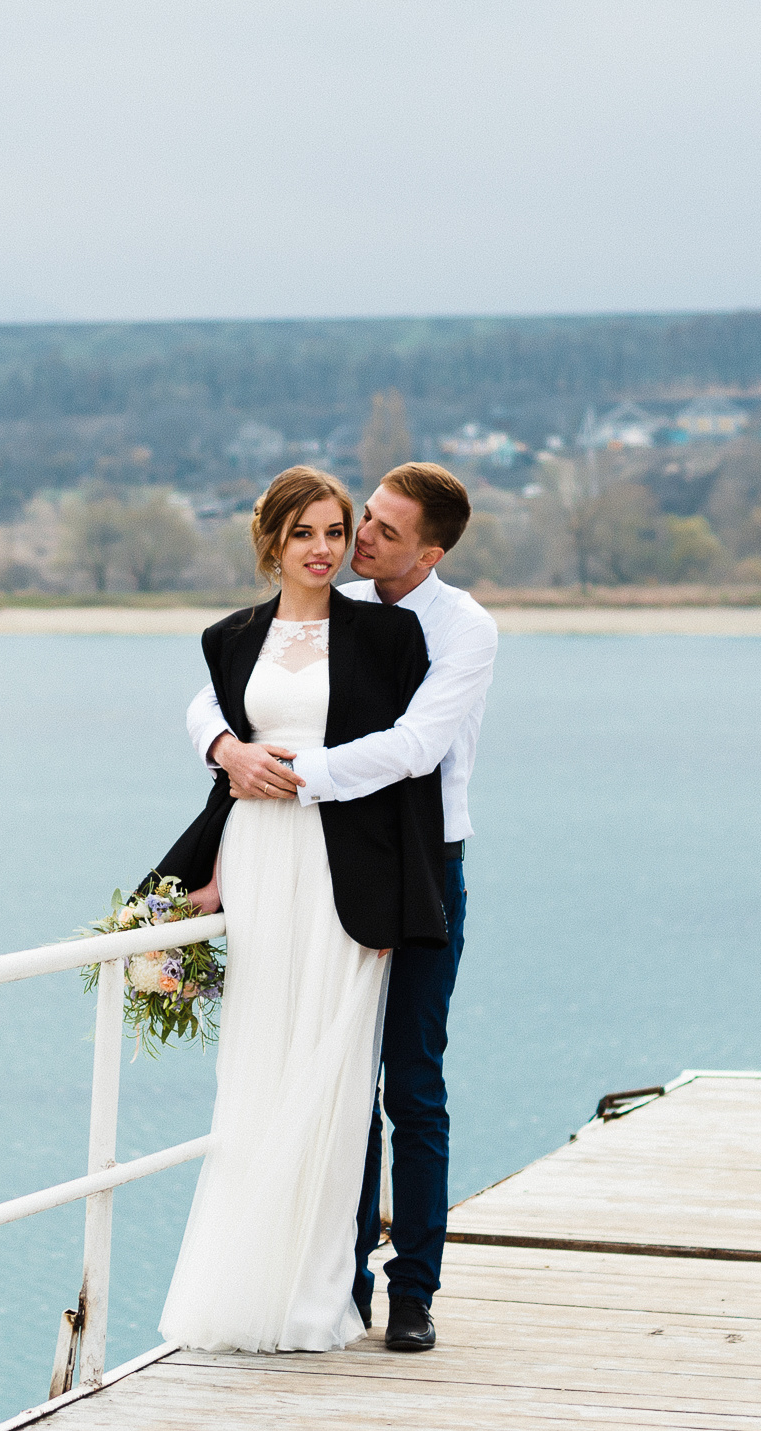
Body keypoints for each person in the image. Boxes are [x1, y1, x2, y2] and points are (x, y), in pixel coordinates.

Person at [184, 461, 496, 1352]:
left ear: (428, 553)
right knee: (334, 1077)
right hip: (314, 861)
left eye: (381, 534)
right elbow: (225, 680)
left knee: (412, 1081)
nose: (356, 541)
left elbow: (415, 746)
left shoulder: (456, 629)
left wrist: (279, 773)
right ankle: (337, 1283)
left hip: (423, 861)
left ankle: (414, 1293)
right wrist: (223, 747)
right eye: (362, 521)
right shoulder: (334, 606)